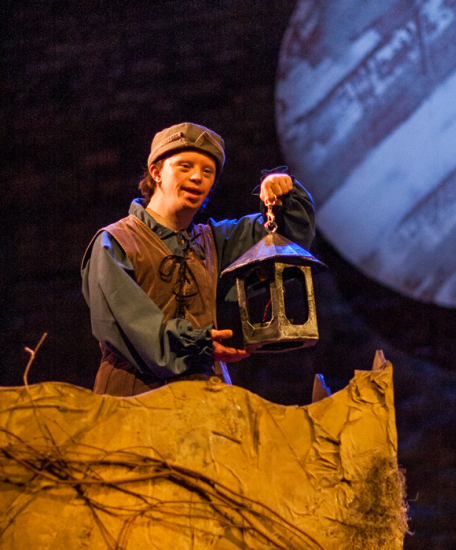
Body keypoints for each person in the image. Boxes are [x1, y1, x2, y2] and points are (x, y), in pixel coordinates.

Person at [81, 122, 315, 396]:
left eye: (208, 171)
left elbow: (284, 240)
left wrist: (281, 194)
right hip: (134, 400)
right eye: (185, 166)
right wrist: (196, 344)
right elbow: (129, 325)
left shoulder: (215, 242)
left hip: (205, 397)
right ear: (156, 172)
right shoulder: (115, 242)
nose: (197, 177)